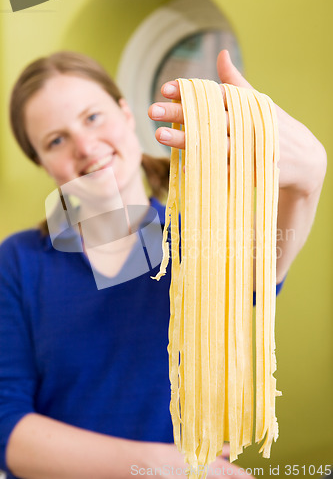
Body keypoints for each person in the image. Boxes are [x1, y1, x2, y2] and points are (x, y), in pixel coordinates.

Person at [0, 50, 326, 479]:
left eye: (93, 117)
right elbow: (8, 430)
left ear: (124, 111)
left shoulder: (202, 237)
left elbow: (258, 272)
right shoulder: (19, 261)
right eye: (56, 140)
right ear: (42, 163)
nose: (84, 146)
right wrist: (155, 466)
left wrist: (307, 179)